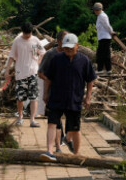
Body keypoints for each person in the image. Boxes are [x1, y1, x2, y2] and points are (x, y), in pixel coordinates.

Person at [41, 33, 96, 161]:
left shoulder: (84, 61)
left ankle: (76, 155)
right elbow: (48, 78)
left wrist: (88, 97)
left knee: (75, 128)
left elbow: (90, 81)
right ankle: (49, 151)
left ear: (77, 46)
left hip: (74, 98)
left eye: (71, 48)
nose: (68, 50)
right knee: (52, 123)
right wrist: (45, 93)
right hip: (56, 97)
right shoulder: (56, 59)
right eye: (66, 48)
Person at [4, 21, 46, 128]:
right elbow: (11, 56)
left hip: (33, 72)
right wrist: (7, 70)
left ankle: (32, 119)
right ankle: (20, 117)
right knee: (20, 97)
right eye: (26, 34)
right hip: (20, 72)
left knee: (34, 97)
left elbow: (42, 52)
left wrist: (38, 62)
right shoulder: (17, 41)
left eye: (29, 34)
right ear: (22, 32)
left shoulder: (35, 40)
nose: (28, 36)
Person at [38, 30, 67, 152]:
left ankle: (60, 142)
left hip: (66, 93)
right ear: (59, 41)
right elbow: (40, 73)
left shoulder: (70, 54)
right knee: (54, 119)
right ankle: (57, 146)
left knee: (60, 119)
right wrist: (51, 81)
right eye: (65, 40)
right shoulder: (50, 54)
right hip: (52, 92)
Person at [93, 2, 116, 75]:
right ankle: (104, 69)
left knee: (103, 54)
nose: (95, 11)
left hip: (105, 37)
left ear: (100, 9)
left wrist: (111, 31)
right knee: (102, 53)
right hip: (102, 37)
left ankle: (104, 69)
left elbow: (107, 25)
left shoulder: (102, 16)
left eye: (96, 10)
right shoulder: (100, 16)